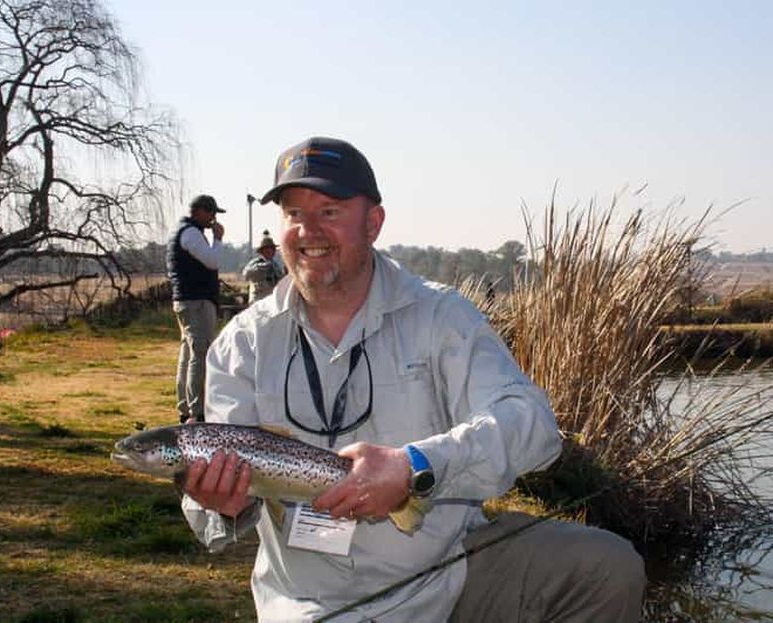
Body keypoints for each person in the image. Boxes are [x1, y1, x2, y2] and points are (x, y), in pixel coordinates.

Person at [180, 137, 645, 622]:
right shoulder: (243, 343)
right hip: (311, 602)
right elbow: (213, 518)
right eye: (294, 213)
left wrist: (416, 465)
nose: (308, 230)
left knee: (608, 569)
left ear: (374, 223)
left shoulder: (442, 316)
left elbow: (533, 425)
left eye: (330, 212)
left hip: (445, 576)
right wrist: (223, 505)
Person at [166, 194, 225, 423]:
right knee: (200, 355)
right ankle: (197, 410)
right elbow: (213, 261)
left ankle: (185, 406)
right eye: (212, 213)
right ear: (201, 211)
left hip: (185, 300)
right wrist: (218, 239)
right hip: (197, 301)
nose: (213, 218)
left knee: (188, 354)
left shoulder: (181, 232)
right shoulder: (191, 233)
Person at [242, 229, 285, 303]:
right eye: (267, 248)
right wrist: (262, 267)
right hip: (258, 301)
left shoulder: (276, 266)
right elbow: (246, 274)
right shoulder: (255, 263)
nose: (269, 251)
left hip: (272, 301)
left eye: (271, 248)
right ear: (262, 251)